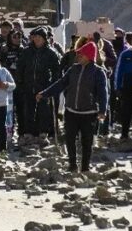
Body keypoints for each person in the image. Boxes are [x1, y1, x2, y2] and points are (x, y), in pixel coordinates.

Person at [37, 41, 107, 172]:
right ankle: (72, 164)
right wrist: (45, 93)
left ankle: (85, 167)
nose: (78, 56)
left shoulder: (98, 72)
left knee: (87, 142)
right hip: (71, 111)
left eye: (81, 54)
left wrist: (102, 110)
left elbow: (103, 93)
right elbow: (61, 84)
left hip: (89, 113)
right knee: (70, 140)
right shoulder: (73, 69)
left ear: (89, 56)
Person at [17, 27, 61, 138]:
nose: (36, 39)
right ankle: (28, 132)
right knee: (28, 110)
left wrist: (52, 86)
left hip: (44, 86)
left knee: (44, 110)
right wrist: (21, 82)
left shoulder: (51, 53)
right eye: (35, 37)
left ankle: (43, 132)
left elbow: (56, 70)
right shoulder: (26, 52)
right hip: (28, 85)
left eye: (39, 37)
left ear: (44, 39)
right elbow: (20, 68)